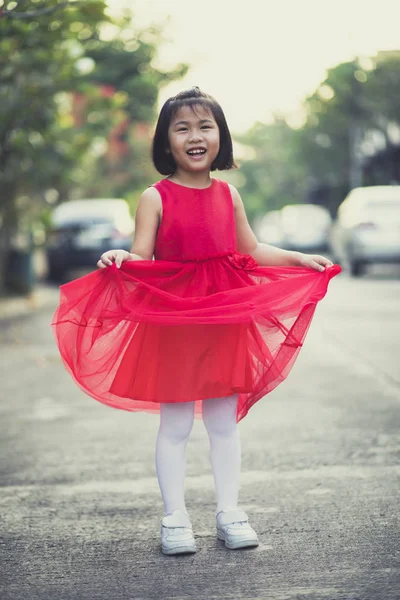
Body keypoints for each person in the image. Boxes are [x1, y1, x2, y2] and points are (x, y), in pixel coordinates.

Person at [52, 87, 340, 556]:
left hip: (225, 317)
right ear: (167, 143)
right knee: (177, 424)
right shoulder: (155, 196)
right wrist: (122, 255)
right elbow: (142, 254)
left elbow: (251, 250)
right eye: (182, 128)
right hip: (175, 320)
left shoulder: (229, 193)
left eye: (205, 126)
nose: (195, 136)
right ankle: (175, 519)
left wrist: (296, 258)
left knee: (224, 421)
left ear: (220, 137)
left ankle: (230, 512)